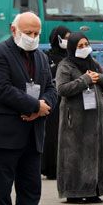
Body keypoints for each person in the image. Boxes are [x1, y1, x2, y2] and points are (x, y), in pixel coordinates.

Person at [0, 11, 56, 205]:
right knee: (0, 191)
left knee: (31, 189)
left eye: (36, 33)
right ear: (14, 30)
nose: (32, 37)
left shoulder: (42, 58)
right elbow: (2, 89)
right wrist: (34, 106)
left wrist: (42, 106)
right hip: (4, 133)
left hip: (32, 133)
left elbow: (50, 89)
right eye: (28, 33)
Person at [55, 31, 103, 203]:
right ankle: (74, 191)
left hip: (96, 119)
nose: (84, 48)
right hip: (75, 119)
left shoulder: (93, 63)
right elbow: (62, 89)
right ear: (72, 47)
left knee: (96, 153)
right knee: (74, 154)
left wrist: (99, 78)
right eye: (80, 46)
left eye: (86, 45)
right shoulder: (65, 65)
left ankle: (95, 189)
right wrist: (85, 80)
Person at [41, 25, 70, 180]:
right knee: (52, 134)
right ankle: (50, 166)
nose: (67, 41)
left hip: (69, 98)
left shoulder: (72, 56)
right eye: (65, 37)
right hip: (53, 98)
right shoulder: (47, 57)